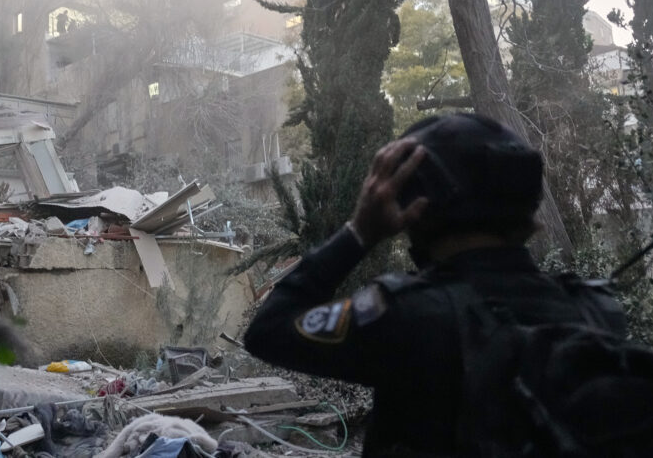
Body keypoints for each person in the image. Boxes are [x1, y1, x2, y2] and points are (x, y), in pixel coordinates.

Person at [243, 113, 626, 457]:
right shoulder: (597, 312)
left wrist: (360, 232)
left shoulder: (409, 316)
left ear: (416, 208)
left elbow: (268, 331)